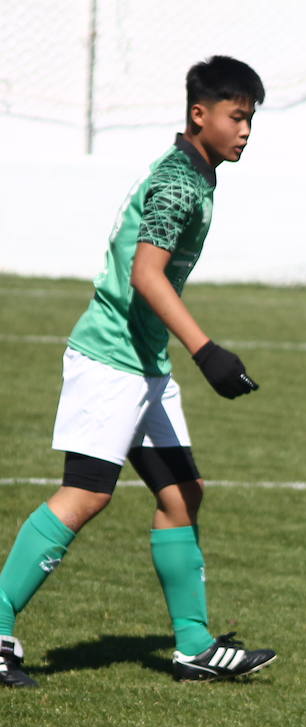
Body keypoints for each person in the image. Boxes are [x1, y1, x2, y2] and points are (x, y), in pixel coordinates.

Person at [0, 56, 277, 688]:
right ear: (198, 114)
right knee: (87, 493)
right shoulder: (181, 182)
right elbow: (144, 273)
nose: (246, 131)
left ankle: (193, 646)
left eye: (251, 119)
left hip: (144, 365)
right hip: (109, 362)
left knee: (182, 494)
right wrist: (207, 350)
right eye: (237, 117)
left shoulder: (197, 174)